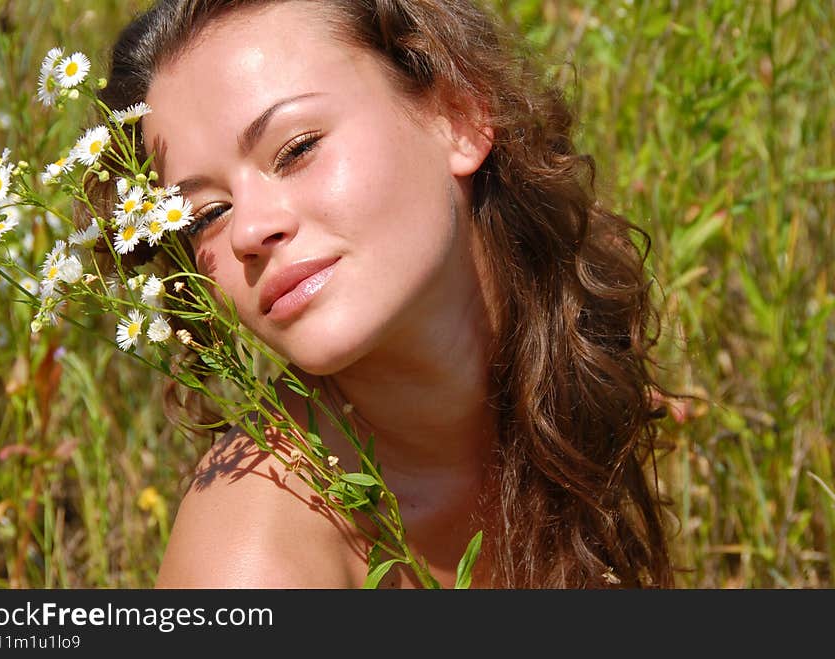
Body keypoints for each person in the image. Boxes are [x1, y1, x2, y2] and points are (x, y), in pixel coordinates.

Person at [95, 0, 675, 588]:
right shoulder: (249, 570)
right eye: (206, 215)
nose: (248, 231)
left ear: (459, 112)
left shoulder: (579, 369)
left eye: (296, 149)